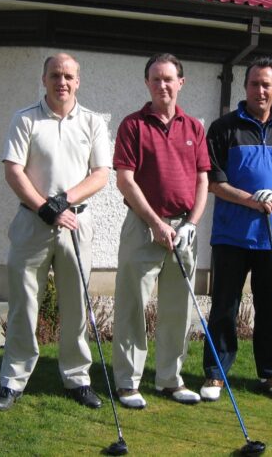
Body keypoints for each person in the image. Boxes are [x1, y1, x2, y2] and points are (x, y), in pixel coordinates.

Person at [0, 53, 112, 411]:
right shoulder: (25, 119)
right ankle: (12, 381)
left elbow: (100, 174)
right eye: (55, 75)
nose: (63, 82)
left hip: (75, 222)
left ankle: (78, 378)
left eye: (69, 76)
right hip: (32, 222)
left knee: (76, 305)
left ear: (78, 81)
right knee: (24, 305)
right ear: (44, 79)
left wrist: (61, 202)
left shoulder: (92, 122)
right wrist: (45, 207)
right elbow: (13, 170)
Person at [201, 56, 272, 402]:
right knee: (224, 305)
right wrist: (252, 200)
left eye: (266, 84)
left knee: (271, 306)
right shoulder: (224, 128)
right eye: (254, 84)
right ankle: (216, 374)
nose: (260, 90)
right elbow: (214, 181)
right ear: (245, 87)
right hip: (231, 235)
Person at [111, 53, 211, 409]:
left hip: (184, 228)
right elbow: (125, 180)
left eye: (169, 79)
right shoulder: (132, 125)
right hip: (143, 227)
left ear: (180, 83)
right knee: (132, 305)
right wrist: (155, 223)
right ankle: (127, 381)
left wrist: (191, 224)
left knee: (178, 308)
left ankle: (170, 378)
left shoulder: (194, 127)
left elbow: (203, 180)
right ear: (147, 84)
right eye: (156, 79)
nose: (162, 85)